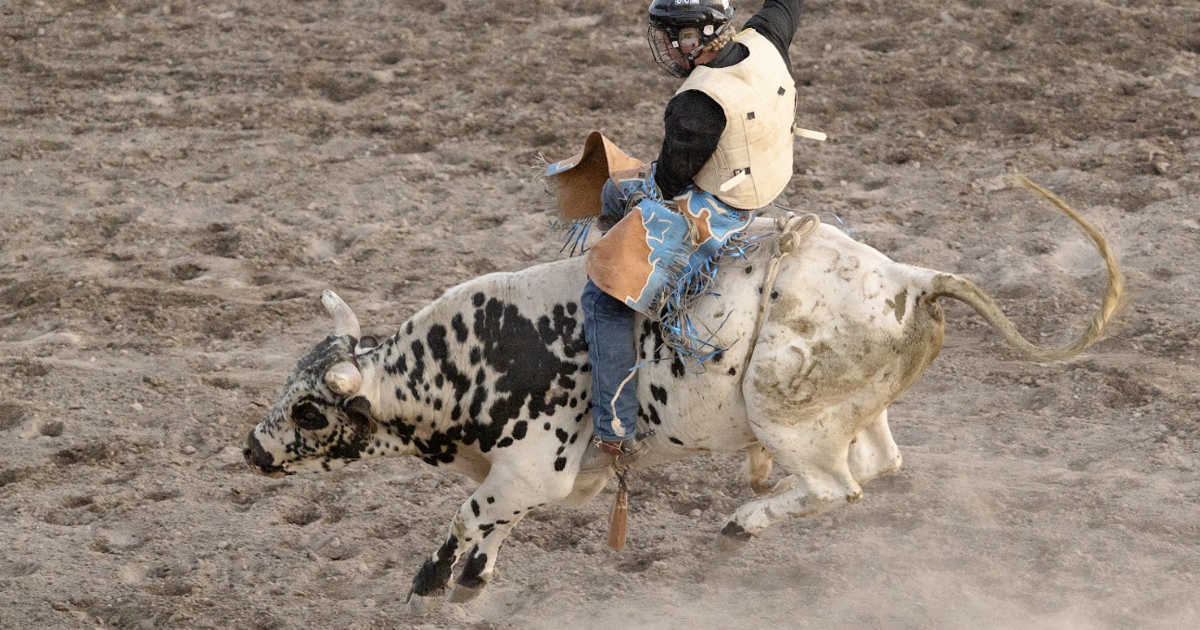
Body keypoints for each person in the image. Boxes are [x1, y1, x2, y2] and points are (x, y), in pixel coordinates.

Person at [581, 0, 807, 470]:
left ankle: (614, 431)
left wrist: (628, 201)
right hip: (765, 183)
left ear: (694, 37)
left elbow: (667, 184)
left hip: (717, 210)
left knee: (603, 299)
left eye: (671, 34)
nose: (665, 44)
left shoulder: (695, 104)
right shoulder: (768, 37)